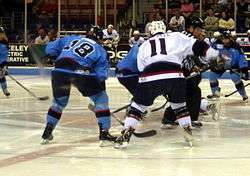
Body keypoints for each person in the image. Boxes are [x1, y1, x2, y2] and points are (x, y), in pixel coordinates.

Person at [114, 20, 222, 148]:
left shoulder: (143, 45)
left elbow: (141, 68)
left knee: (138, 107)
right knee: (180, 106)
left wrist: (146, 91)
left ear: (150, 32)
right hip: (175, 75)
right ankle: (188, 133)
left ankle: (126, 134)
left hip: (150, 76)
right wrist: (216, 56)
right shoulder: (176, 36)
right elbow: (199, 46)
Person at [41, 26, 117, 146]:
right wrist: (99, 93)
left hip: (59, 70)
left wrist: (54, 55)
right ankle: (104, 133)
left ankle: (47, 132)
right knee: (100, 98)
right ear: (100, 39)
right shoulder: (100, 50)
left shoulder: (72, 38)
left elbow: (50, 49)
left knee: (58, 103)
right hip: (80, 72)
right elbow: (101, 75)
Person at [207, 31, 249, 101]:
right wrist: (211, 62)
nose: (224, 40)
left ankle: (244, 95)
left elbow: (242, 57)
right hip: (220, 64)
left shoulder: (236, 46)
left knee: (235, 78)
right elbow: (209, 53)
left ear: (230, 38)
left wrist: (244, 69)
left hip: (234, 65)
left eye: (226, 39)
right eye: (223, 39)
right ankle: (216, 93)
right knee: (212, 76)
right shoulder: (216, 44)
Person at [0, 27, 10, 97]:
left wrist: (4, 65)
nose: (2, 35)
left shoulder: (5, 42)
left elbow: (4, 54)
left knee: (1, 75)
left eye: (2, 33)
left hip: (1, 62)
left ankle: (5, 89)